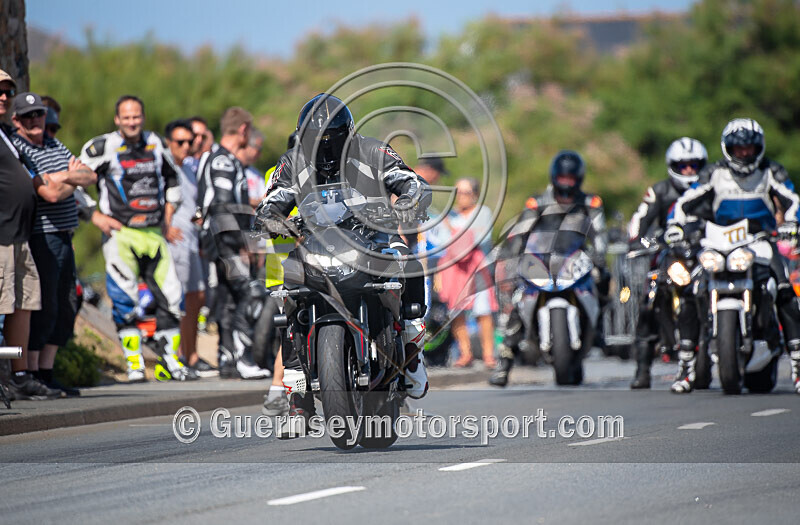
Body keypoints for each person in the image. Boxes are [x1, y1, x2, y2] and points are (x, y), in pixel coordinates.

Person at [256, 93, 432, 430]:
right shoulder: (293, 162)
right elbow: (272, 200)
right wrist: (270, 219)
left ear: (347, 135)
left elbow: (411, 180)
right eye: (314, 142)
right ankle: (298, 401)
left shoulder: (374, 151)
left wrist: (410, 200)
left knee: (407, 257)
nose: (322, 151)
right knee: (287, 298)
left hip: (374, 238)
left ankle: (411, 341)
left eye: (330, 142)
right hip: (317, 244)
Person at [667, 118, 800, 394]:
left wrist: (790, 223)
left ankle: (797, 364)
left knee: (785, 288)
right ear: (728, 149)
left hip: (759, 240)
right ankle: (687, 365)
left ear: (758, 148)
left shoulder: (770, 171)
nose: (744, 154)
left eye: (749, 149)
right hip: (718, 241)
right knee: (691, 289)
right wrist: (674, 226)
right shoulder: (714, 173)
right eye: (738, 149)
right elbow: (684, 202)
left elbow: (793, 201)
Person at [80, 95, 195, 382]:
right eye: (126, 117)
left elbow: (173, 180)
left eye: (136, 116)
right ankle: (134, 365)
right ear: (117, 119)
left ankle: (171, 361)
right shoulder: (101, 146)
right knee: (125, 300)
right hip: (121, 235)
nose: (132, 122)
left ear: (142, 117)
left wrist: (167, 218)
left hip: (155, 234)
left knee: (171, 298)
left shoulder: (155, 143)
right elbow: (75, 180)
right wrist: (95, 217)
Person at [490, 150, 607, 387]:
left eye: (570, 180)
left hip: (574, 260)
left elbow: (599, 235)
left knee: (603, 278)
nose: (566, 184)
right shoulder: (537, 202)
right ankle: (505, 362)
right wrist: (510, 255)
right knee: (517, 298)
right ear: (555, 177)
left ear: (578, 179)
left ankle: (599, 330)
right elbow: (520, 232)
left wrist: (599, 258)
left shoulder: (589, 203)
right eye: (562, 178)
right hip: (540, 262)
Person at [11, 92, 98, 397]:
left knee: (66, 303)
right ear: (16, 120)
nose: (37, 121)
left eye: (40, 114)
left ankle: (47, 371)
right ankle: (32, 372)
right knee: (44, 304)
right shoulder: (19, 147)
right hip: (42, 234)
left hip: (65, 232)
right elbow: (45, 194)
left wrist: (62, 178)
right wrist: (69, 178)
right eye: (29, 116)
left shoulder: (52, 144)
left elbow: (90, 174)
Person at [195, 106, 270, 380]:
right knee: (251, 293)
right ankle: (241, 357)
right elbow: (224, 208)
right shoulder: (223, 161)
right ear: (243, 130)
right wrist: (243, 242)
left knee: (229, 300)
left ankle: (227, 359)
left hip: (220, 239)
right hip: (224, 239)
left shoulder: (222, 158)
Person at [0, 70, 61, 400]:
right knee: (3, 304)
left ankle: (20, 374)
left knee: (23, 305)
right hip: (1, 234)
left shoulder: (8, 134)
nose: (4, 96)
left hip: (20, 235)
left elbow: (41, 183)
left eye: (8, 91)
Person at [627, 137, 708, 389]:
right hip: (671, 255)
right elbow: (638, 223)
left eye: (694, 165)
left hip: (705, 254)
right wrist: (640, 241)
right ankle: (642, 368)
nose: (688, 170)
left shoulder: (710, 189)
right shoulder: (659, 192)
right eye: (682, 165)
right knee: (650, 298)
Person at [163, 119, 216, 377]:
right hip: (175, 241)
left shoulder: (190, 167)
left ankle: (191, 354)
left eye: (190, 141)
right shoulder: (165, 165)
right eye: (180, 142)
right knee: (180, 299)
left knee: (197, 297)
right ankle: (179, 356)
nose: (187, 145)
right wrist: (165, 227)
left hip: (192, 239)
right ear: (168, 143)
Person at [437, 177, 497, 368]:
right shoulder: (450, 215)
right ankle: (465, 353)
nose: (461, 197)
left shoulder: (482, 213)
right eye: (458, 193)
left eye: (466, 193)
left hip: (477, 266)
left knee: (483, 310)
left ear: (475, 195)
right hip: (454, 268)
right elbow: (443, 242)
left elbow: (480, 237)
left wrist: (454, 230)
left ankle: (489, 354)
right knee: (457, 311)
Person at [242, 128, 267, 208]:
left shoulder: (256, 174)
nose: (260, 154)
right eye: (258, 149)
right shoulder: (231, 168)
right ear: (248, 145)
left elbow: (265, 200)